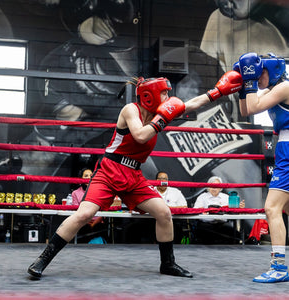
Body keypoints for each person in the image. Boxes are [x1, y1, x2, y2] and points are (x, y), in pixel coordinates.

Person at [27, 70, 243, 279]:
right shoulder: (131, 110)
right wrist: (163, 119)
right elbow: (140, 135)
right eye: (164, 93)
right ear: (150, 96)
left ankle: (167, 263)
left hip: (133, 175)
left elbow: (191, 104)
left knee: (164, 213)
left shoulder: (162, 112)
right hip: (109, 171)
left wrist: (217, 92)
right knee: (84, 215)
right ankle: (42, 260)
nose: (168, 98)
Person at [234, 52, 289, 283]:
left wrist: (247, 80)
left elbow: (254, 106)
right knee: (283, 209)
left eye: (261, 72)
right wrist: (240, 85)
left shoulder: (285, 87)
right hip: (284, 148)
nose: (258, 77)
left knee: (272, 208)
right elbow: (246, 111)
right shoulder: (272, 90)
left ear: (272, 69)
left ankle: (279, 267)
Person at [192, 176, 245, 244]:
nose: (214, 188)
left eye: (216, 186)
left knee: (236, 235)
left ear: (220, 187)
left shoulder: (226, 197)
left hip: (223, 224)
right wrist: (201, 210)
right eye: (212, 186)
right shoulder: (202, 197)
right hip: (206, 225)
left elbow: (233, 211)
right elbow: (195, 210)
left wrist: (239, 207)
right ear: (208, 186)